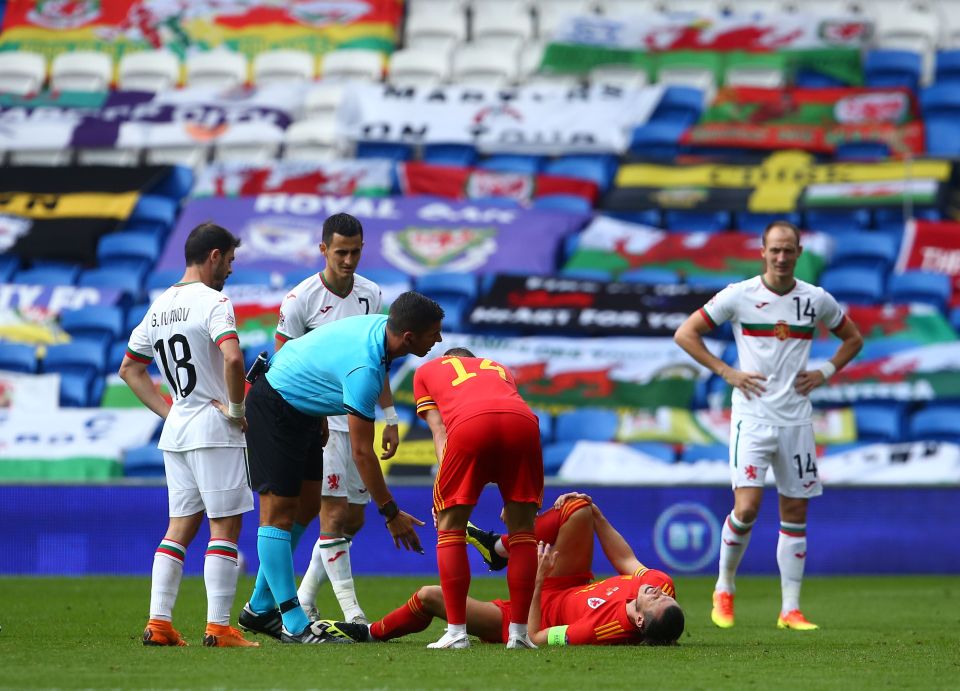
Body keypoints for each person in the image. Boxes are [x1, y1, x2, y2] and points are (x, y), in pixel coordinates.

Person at [674, 220, 863, 631]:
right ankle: (724, 587)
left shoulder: (814, 300)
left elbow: (853, 339)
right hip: (753, 418)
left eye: (788, 250)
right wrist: (727, 372)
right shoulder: (739, 296)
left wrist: (826, 371)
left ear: (798, 253)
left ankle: (789, 609)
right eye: (774, 250)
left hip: (796, 419)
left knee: (795, 512)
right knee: (747, 508)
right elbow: (685, 333)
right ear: (762, 252)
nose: (780, 257)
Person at [238, 291, 444, 644]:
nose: (438, 339)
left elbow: (324, 360)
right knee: (278, 513)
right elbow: (363, 454)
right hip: (275, 407)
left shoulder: (382, 330)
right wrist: (391, 512)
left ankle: (259, 608)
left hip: (305, 410)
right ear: (409, 337)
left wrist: (319, 405)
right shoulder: (365, 367)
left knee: (306, 506)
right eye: (433, 334)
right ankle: (293, 621)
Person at [120, 222, 258, 648]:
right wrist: (237, 411)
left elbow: (129, 369)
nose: (231, 270)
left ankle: (159, 623)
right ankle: (218, 626)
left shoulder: (159, 304)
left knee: (177, 529)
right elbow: (233, 359)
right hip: (215, 429)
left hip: (177, 432)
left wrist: (170, 411)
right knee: (224, 529)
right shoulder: (215, 301)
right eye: (230, 260)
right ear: (214, 255)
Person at [326, 493, 684, 647]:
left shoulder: (601, 630)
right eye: (664, 596)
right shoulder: (658, 586)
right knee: (579, 507)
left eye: (655, 601)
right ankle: (498, 548)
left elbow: (536, 636)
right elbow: (628, 562)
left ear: (639, 622)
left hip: (529, 610)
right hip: (569, 579)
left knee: (429, 596)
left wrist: (537, 581)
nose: (657, 592)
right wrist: (600, 515)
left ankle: (368, 633)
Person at [270, 213, 400, 626]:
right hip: (320, 420)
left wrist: (391, 414)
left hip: (359, 416)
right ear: (323, 249)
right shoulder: (300, 300)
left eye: (356, 251)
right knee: (334, 516)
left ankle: (306, 596)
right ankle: (353, 613)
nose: (349, 260)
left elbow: (374, 360)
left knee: (355, 518)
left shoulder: (371, 294)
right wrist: (304, 417)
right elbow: (281, 365)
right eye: (340, 252)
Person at [412, 347, 544, 649]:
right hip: (523, 423)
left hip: (471, 425)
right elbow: (504, 407)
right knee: (523, 531)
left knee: (451, 527)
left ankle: (457, 633)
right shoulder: (499, 367)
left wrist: (442, 495)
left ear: (448, 360)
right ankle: (520, 635)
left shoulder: (427, 371)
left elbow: (440, 429)